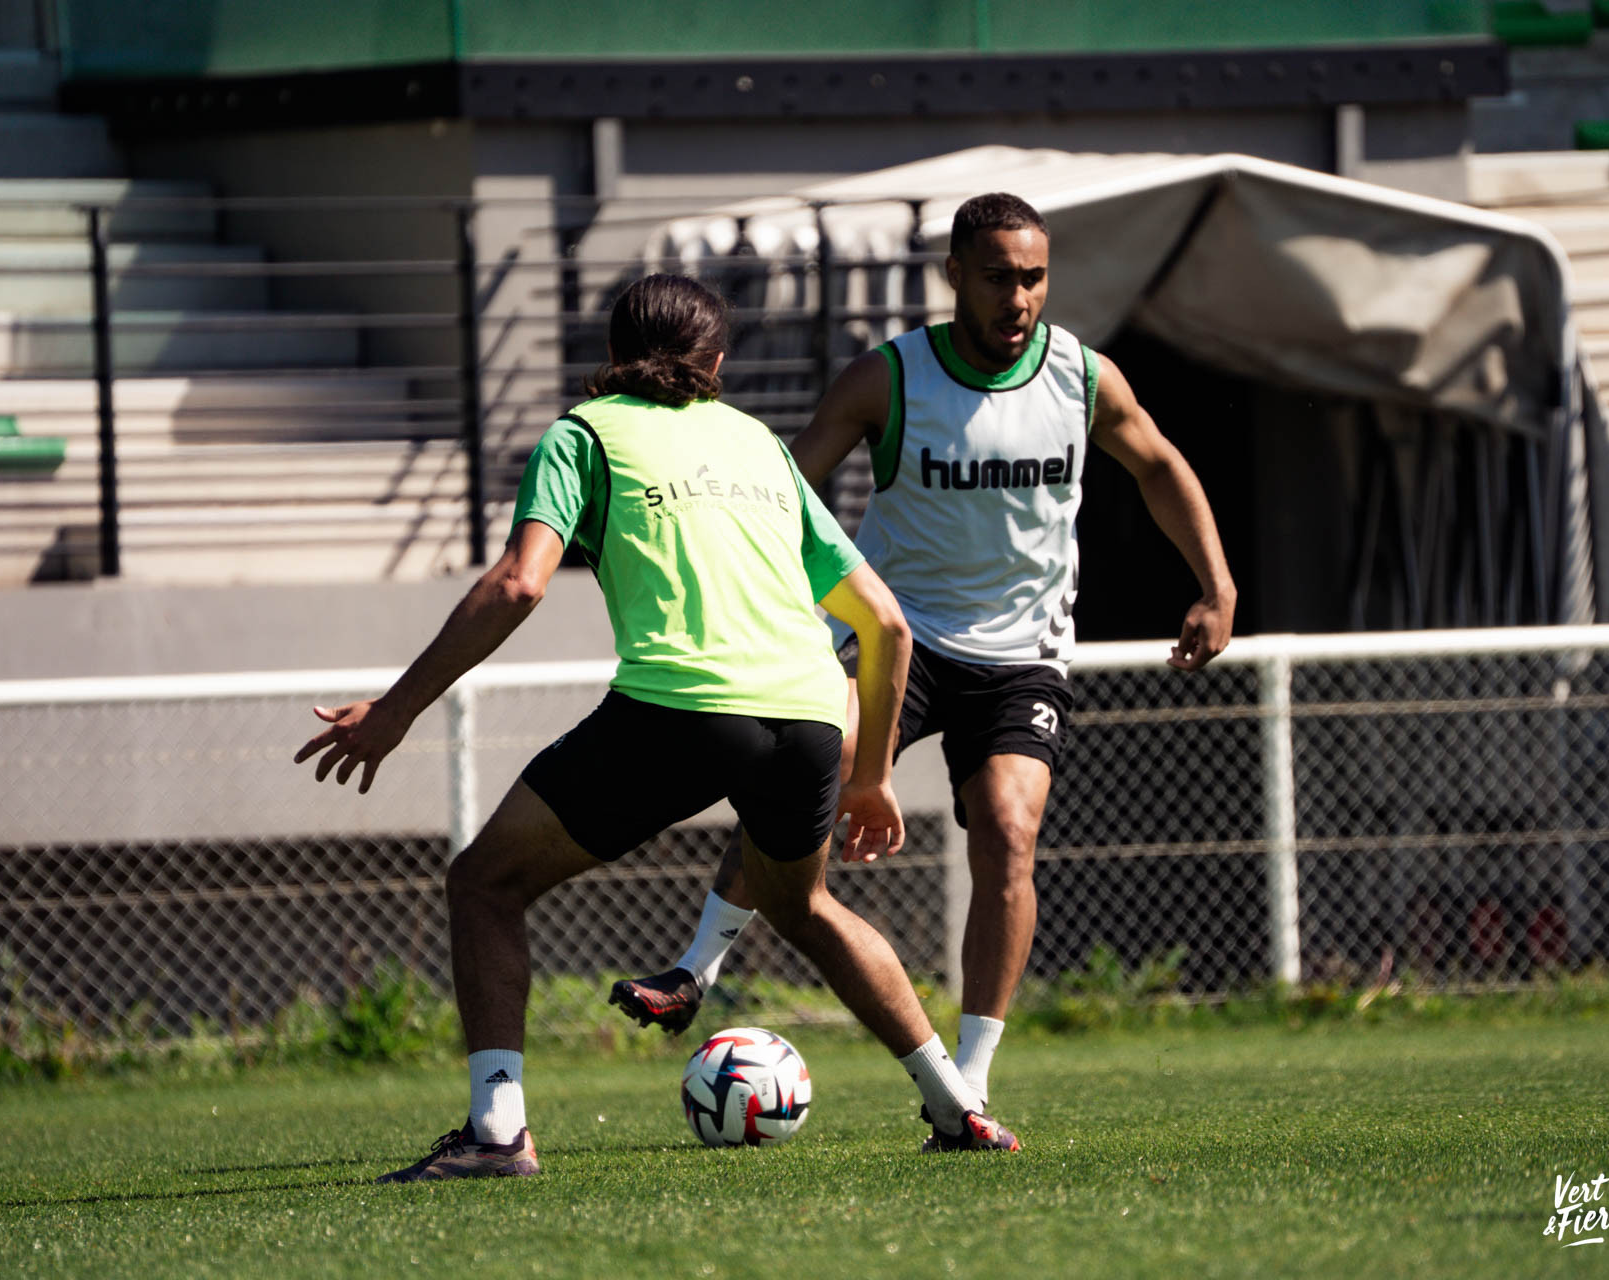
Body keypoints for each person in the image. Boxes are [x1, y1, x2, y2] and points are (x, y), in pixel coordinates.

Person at [295, 274, 1020, 1181]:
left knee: (485, 884)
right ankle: (960, 1109)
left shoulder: (582, 434)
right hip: (807, 713)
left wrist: (396, 710)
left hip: (684, 708)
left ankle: (498, 1132)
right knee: (804, 907)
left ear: (611, 354)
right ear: (716, 362)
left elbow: (518, 584)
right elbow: (886, 625)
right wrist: (870, 775)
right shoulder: (759, 444)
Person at [611, 194, 1236, 1112]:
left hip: (1023, 652)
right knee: (808, 777)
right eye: (997, 277)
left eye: (1033, 278)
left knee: (1009, 834)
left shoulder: (1082, 378)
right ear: (953, 276)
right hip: (897, 637)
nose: (1018, 298)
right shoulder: (888, 379)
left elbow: (1159, 464)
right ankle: (694, 971)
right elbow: (784, 488)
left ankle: (970, 1080)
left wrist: (1216, 585)